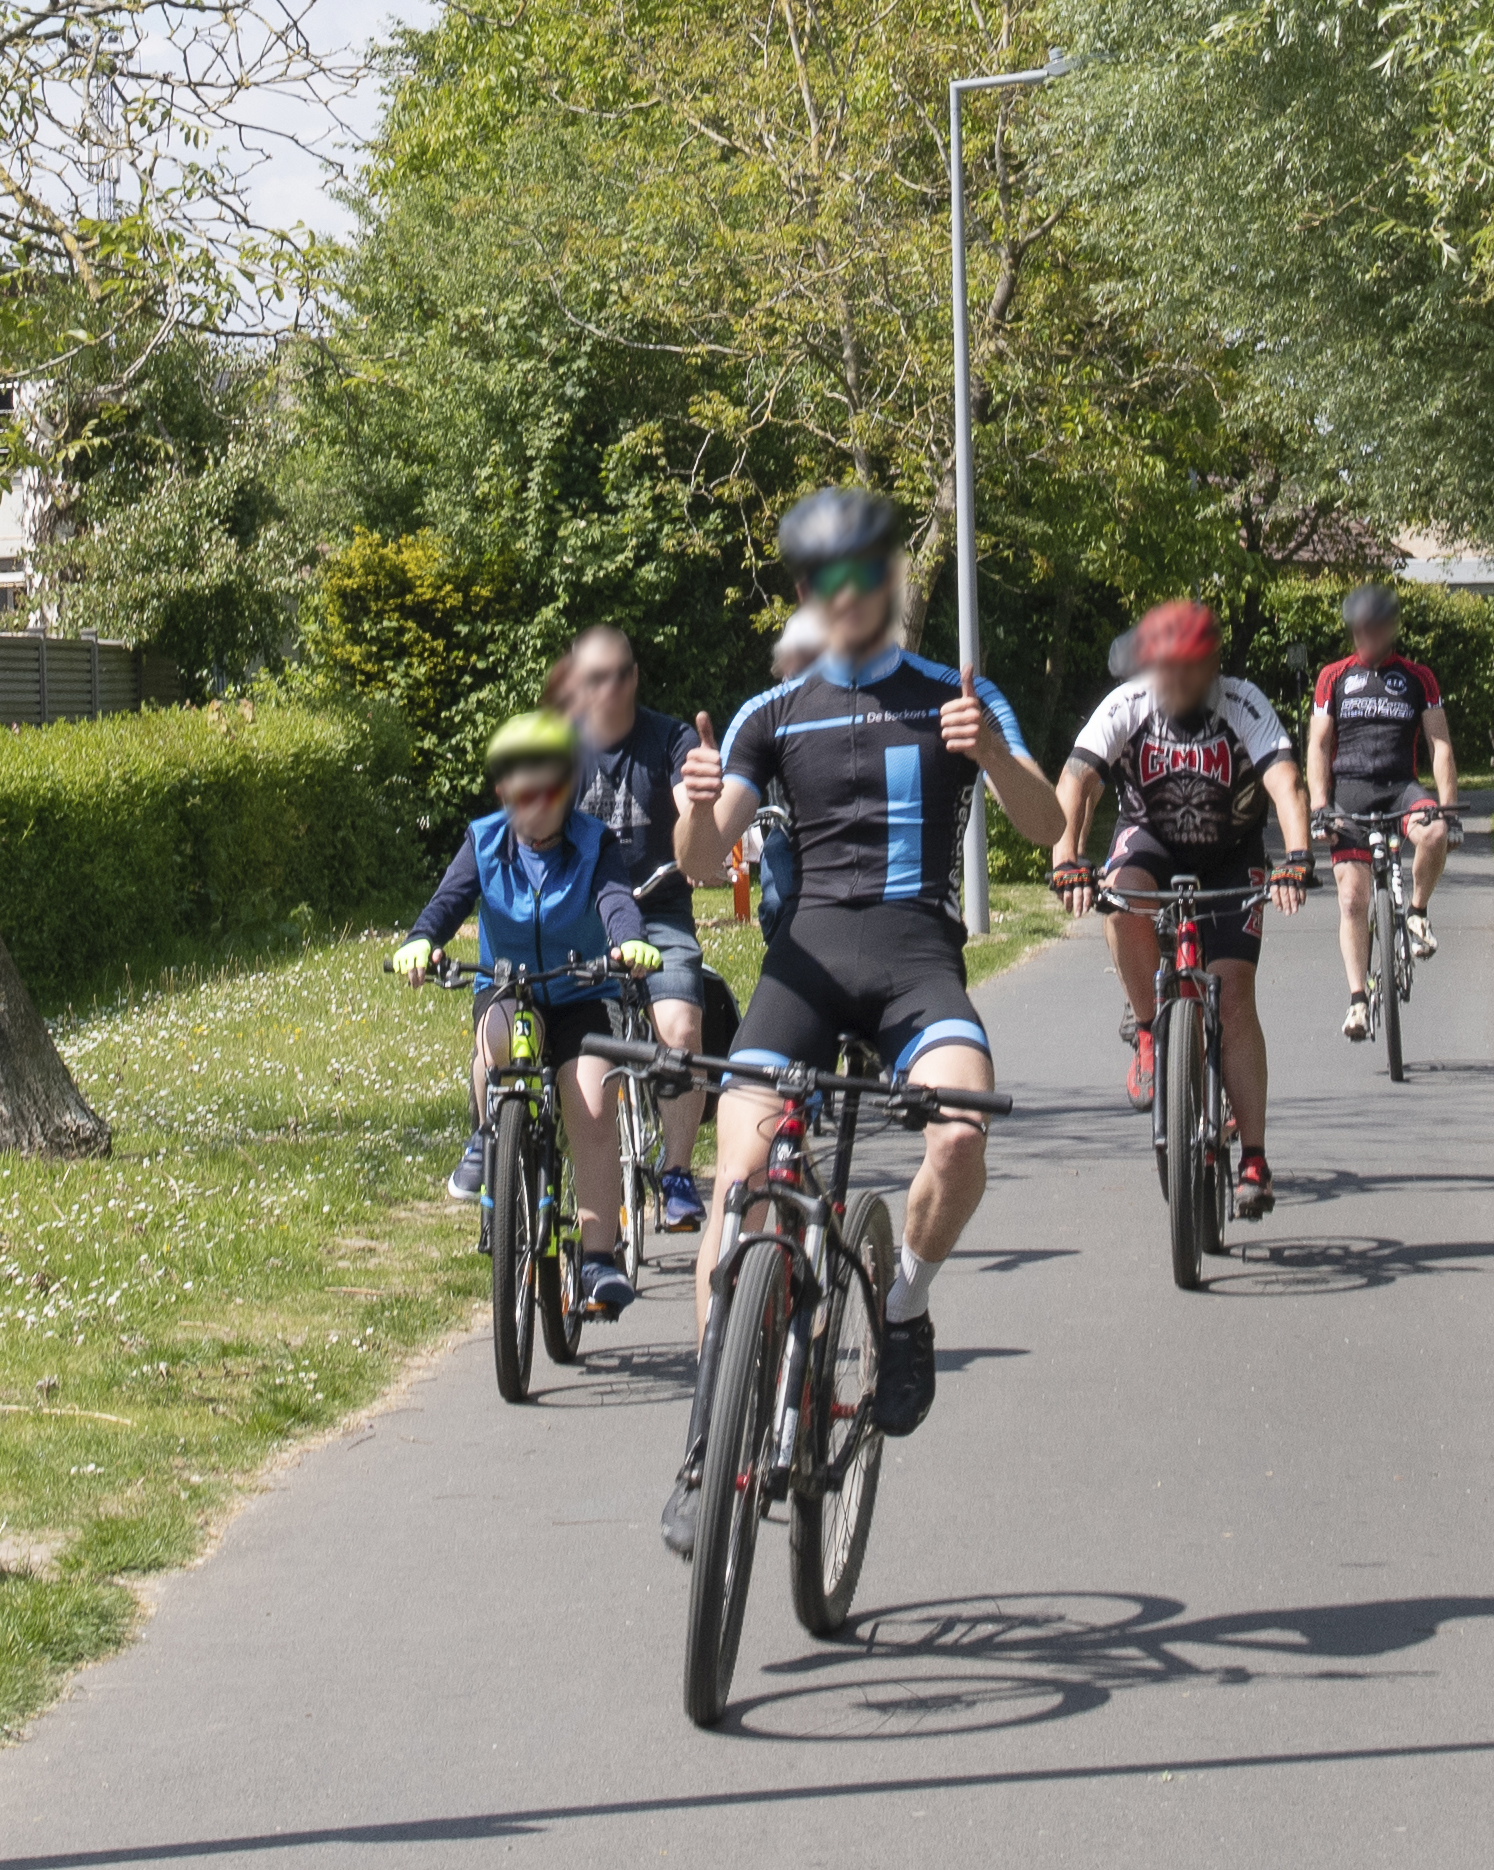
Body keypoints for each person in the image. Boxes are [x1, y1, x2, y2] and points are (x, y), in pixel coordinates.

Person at [674, 482, 1057, 1435]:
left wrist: (995, 758)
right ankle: (710, 1439)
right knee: (739, 1183)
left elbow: (1050, 824)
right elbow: (696, 861)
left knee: (962, 1133)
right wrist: (694, 802)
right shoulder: (773, 709)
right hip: (803, 964)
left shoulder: (955, 694)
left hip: (914, 955)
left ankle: (905, 1301)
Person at [1054, 594, 1306, 1217]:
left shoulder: (1243, 703)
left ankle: (1253, 1158)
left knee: (1235, 994)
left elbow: (1284, 780)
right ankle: (1147, 1030)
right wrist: (1067, 856)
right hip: (1151, 840)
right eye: (1165, 667)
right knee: (1122, 899)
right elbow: (1078, 779)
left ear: (1211, 665)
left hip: (1230, 851)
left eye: (1190, 668)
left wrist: (1297, 855)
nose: (1175, 680)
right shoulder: (1128, 704)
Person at [393, 710, 650, 1317]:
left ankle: (597, 1260)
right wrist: (422, 939)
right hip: (508, 987)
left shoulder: (594, 843)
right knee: (497, 1040)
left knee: (590, 1107)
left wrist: (628, 939)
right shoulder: (483, 841)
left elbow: (614, 899)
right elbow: (449, 901)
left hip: (579, 991)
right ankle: (486, 1137)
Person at [542, 625, 730, 1234]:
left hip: (656, 910)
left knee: (681, 1027)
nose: (612, 687)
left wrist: (702, 801)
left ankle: (676, 1172)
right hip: (582, 912)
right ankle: (524, 1153)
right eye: (597, 677)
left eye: (623, 672)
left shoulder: (670, 738)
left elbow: (690, 814)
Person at [1302, 582, 1459, 1037]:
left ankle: (1416, 911)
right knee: (1352, 900)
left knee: (1432, 833)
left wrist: (1448, 811)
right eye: (1359, 628)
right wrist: (1320, 808)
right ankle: (1357, 1000)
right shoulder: (1334, 677)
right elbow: (1318, 745)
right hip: (1349, 792)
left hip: (1400, 788)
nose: (1365, 635)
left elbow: (1440, 744)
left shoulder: (1417, 677)